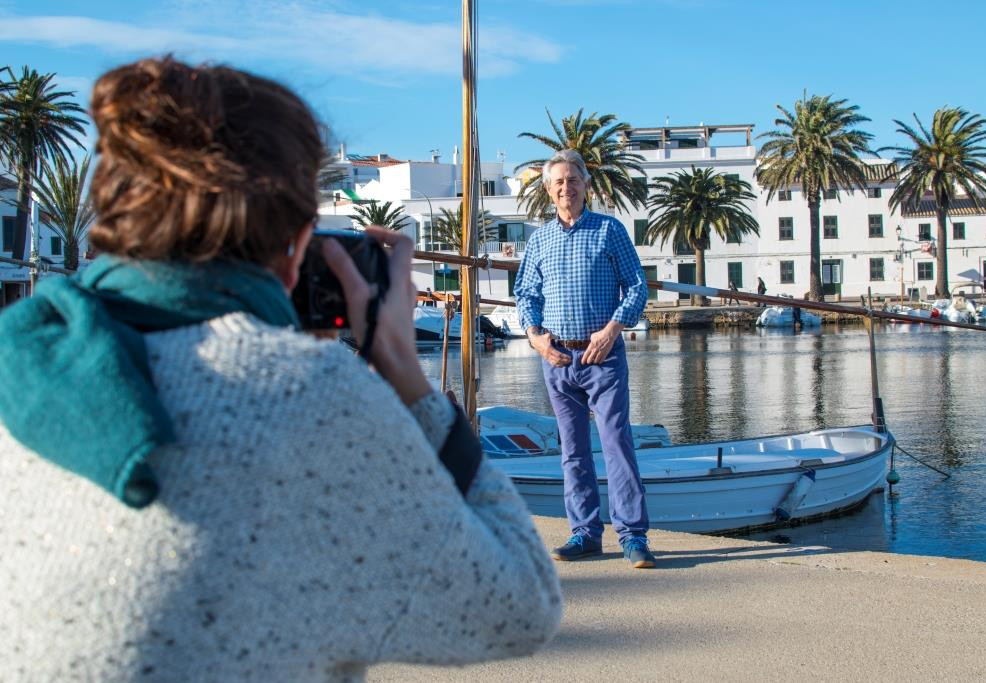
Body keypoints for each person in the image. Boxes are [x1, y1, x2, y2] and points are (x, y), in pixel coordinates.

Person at [0, 57, 561, 681]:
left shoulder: (20, 355)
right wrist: (404, 375)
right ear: (297, 247)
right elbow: (520, 606)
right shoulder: (312, 395)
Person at [514, 149, 654, 569]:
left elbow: (636, 287)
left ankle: (633, 537)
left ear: (585, 185)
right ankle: (585, 533)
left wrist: (614, 328)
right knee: (572, 451)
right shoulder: (539, 239)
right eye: (557, 182)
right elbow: (526, 294)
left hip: (603, 358)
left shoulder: (609, 231)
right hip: (557, 359)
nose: (565, 188)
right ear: (547, 190)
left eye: (572, 180)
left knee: (616, 445)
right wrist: (535, 337)